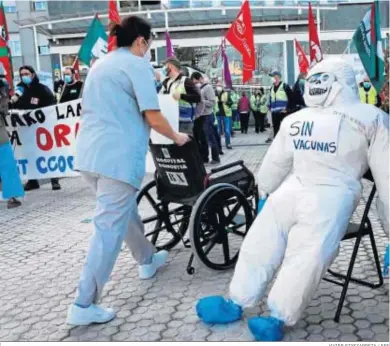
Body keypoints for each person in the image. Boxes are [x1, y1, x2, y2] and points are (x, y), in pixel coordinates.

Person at [195, 58, 389, 341]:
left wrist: (266, 190)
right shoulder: (369, 117)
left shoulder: (300, 120)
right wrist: (265, 191)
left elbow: (274, 166)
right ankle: (240, 301)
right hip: (316, 193)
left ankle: (272, 314)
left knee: (304, 252)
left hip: (321, 192)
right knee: (269, 244)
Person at [67, 15, 189, 326]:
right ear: (140, 41)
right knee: (108, 228)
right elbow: (152, 114)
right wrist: (177, 137)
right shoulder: (136, 65)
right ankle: (83, 304)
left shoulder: (101, 64)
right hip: (117, 159)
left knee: (124, 213)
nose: (149, 49)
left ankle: (147, 259)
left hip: (90, 155)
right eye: (149, 43)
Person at [10, 66, 61, 191]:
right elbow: (15, 106)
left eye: (26, 73)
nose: (24, 76)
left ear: (32, 74)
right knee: (29, 154)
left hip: (42, 128)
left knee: (47, 153)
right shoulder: (20, 90)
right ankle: (32, 181)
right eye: (22, 74)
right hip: (26, 129)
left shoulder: (42, 89)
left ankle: (54, 180)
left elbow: (50, 107)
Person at [0, 70, 24, 209]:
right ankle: (11, 197)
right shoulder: (2, 86)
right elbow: (4, 107)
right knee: (6, 163)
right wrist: (14, 98)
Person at [160, 57, 201, 134]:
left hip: (184, 121)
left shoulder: (185, 81)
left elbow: (197, 98)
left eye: (165, 66)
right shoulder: (166, 82)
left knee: (186, 144)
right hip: (170, 119)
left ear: (171, 66)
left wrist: (181, 96)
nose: (163, 69)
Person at [191, 72, 220, 164]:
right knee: (201, 138)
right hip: (199, 116)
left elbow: (212, 102)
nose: (195, 84)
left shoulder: (208, 87)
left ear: (199, 78)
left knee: (210, 137)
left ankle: (215, 157)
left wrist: (201, 101)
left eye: (195, 81)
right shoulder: (197, 88)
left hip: (207, 115)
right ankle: (204, 157)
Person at [268, 70, 293, 137]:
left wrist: (287, 109)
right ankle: (277, 144)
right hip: (274, 113)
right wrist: (270, 107)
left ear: (277, 77)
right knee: (276, 131)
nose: (271, 78)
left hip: (283, 112)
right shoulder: (271, 88)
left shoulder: (285, 86)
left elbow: (291, 98)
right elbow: (270, 99)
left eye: (272, 76)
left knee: (284, 130)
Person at [215, 83, 233, 149]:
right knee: (218, 131)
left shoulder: (226, 94)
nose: (218, 87)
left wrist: (224, 102)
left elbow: (231, 102)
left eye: (220, 86)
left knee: (227, 130)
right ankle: (218, 144)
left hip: (226, 114)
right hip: (217, 115)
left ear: (222, 87)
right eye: (217, 86)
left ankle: (228, 143)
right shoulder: (214, 94)